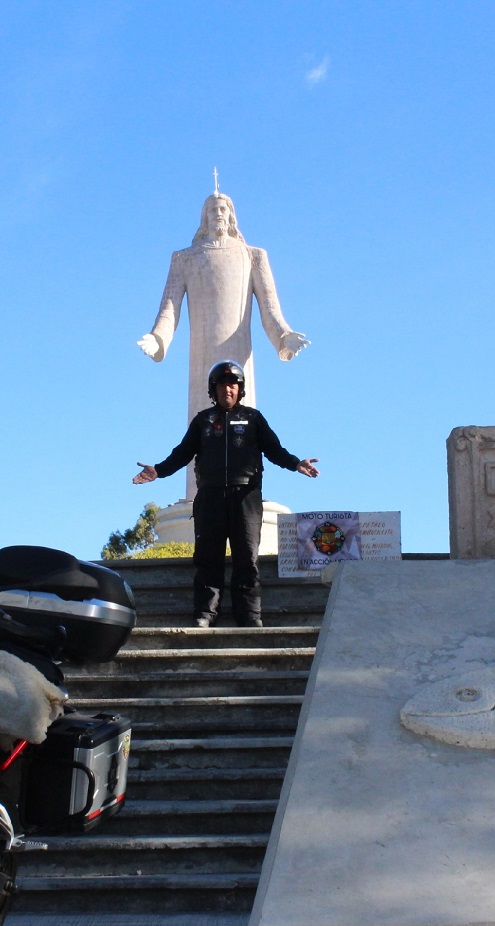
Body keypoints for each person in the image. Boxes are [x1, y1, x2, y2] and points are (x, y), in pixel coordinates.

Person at [136, 190, 310, 500]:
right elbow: (169, 307)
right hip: (201, 354)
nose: (218, 213)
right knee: (201, 425)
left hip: (240, 349)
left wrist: (285, 336)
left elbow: (271, 309)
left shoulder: (252, 255)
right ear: (203, 217)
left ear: (232, 215)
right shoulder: (184, 258)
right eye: (212, 209)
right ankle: (197, 494)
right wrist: (156, 338)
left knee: (246, 422)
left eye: (223, 208)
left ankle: (247, 492)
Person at [132, 360, 318, 628]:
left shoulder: (254, 419)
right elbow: (182, 453)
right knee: (208, 559)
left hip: (246, 498)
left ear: (239, 389)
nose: (227, 390)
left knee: (247, 558)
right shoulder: (203, 421)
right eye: (222, 385)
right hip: (210, 497)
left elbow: (275, 449)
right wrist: (158, 471)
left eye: (232, 385)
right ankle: (205, 614)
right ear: (214, 390)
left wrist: (296, 463)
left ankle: (250, 615)